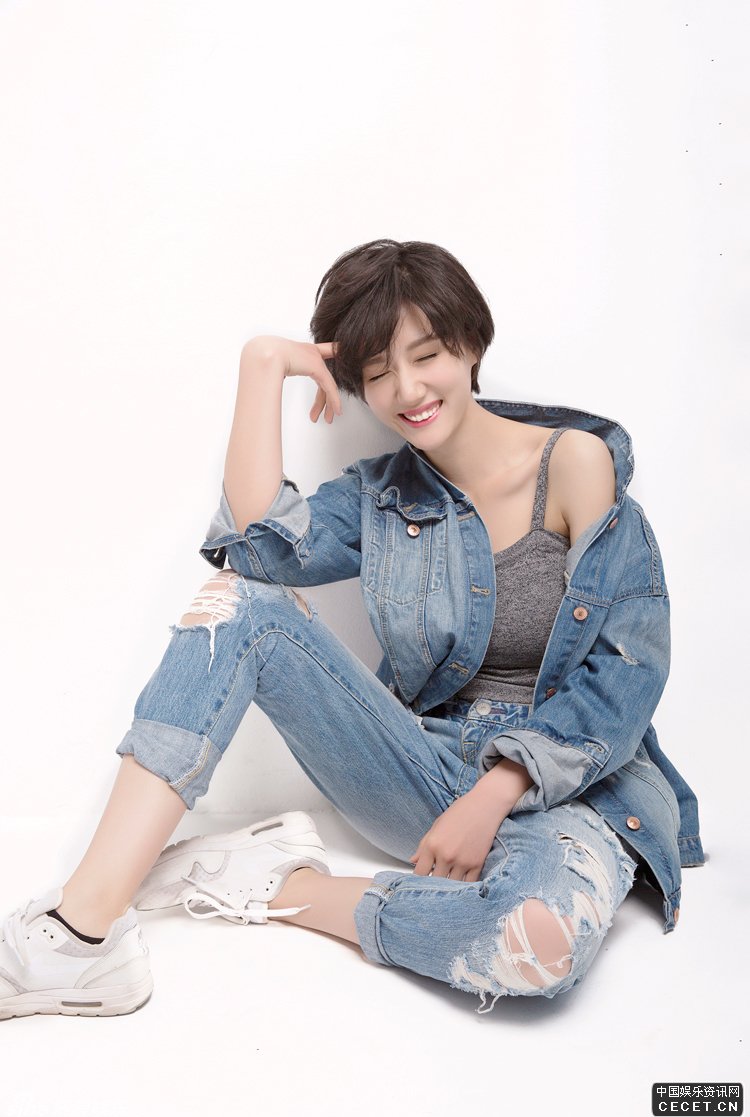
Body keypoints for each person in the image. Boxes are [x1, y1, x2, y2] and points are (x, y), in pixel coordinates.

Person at [0, 239, 704, 1020]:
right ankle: (80, 936)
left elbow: (627, 669)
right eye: (376, 372)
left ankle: (279, 886)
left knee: (537, 943)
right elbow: (253, 548)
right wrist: (263, 363)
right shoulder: (383, 497)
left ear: (471, 346)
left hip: (573, 788)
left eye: (426, 355)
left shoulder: (574, 462)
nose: (408, 389)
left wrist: (499, 790)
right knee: (238, 604)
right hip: (423, 770)